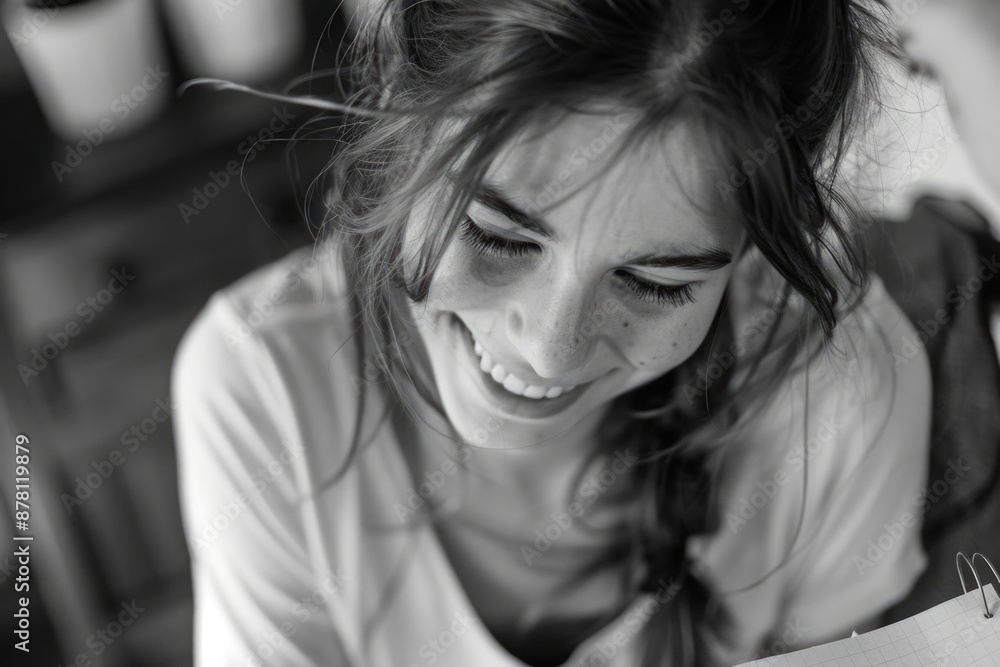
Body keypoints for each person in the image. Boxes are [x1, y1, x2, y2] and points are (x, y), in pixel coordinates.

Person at [171, 1, 933, 665]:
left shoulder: (843, 397)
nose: (549, 348)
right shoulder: (261, 382)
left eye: (654, 283)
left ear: (756, 250)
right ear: (401, 108)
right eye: (498, 237)